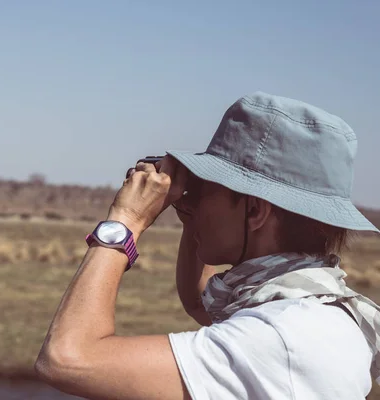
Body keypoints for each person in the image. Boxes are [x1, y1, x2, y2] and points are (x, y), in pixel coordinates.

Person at [34, 91, 380, 399]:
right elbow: (200, 302)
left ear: (256, 210)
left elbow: (68, 359)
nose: (195, 201)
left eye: (209, 188)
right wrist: (191, 215)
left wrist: (126, 220)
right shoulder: (322, 309)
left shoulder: (280, 338)